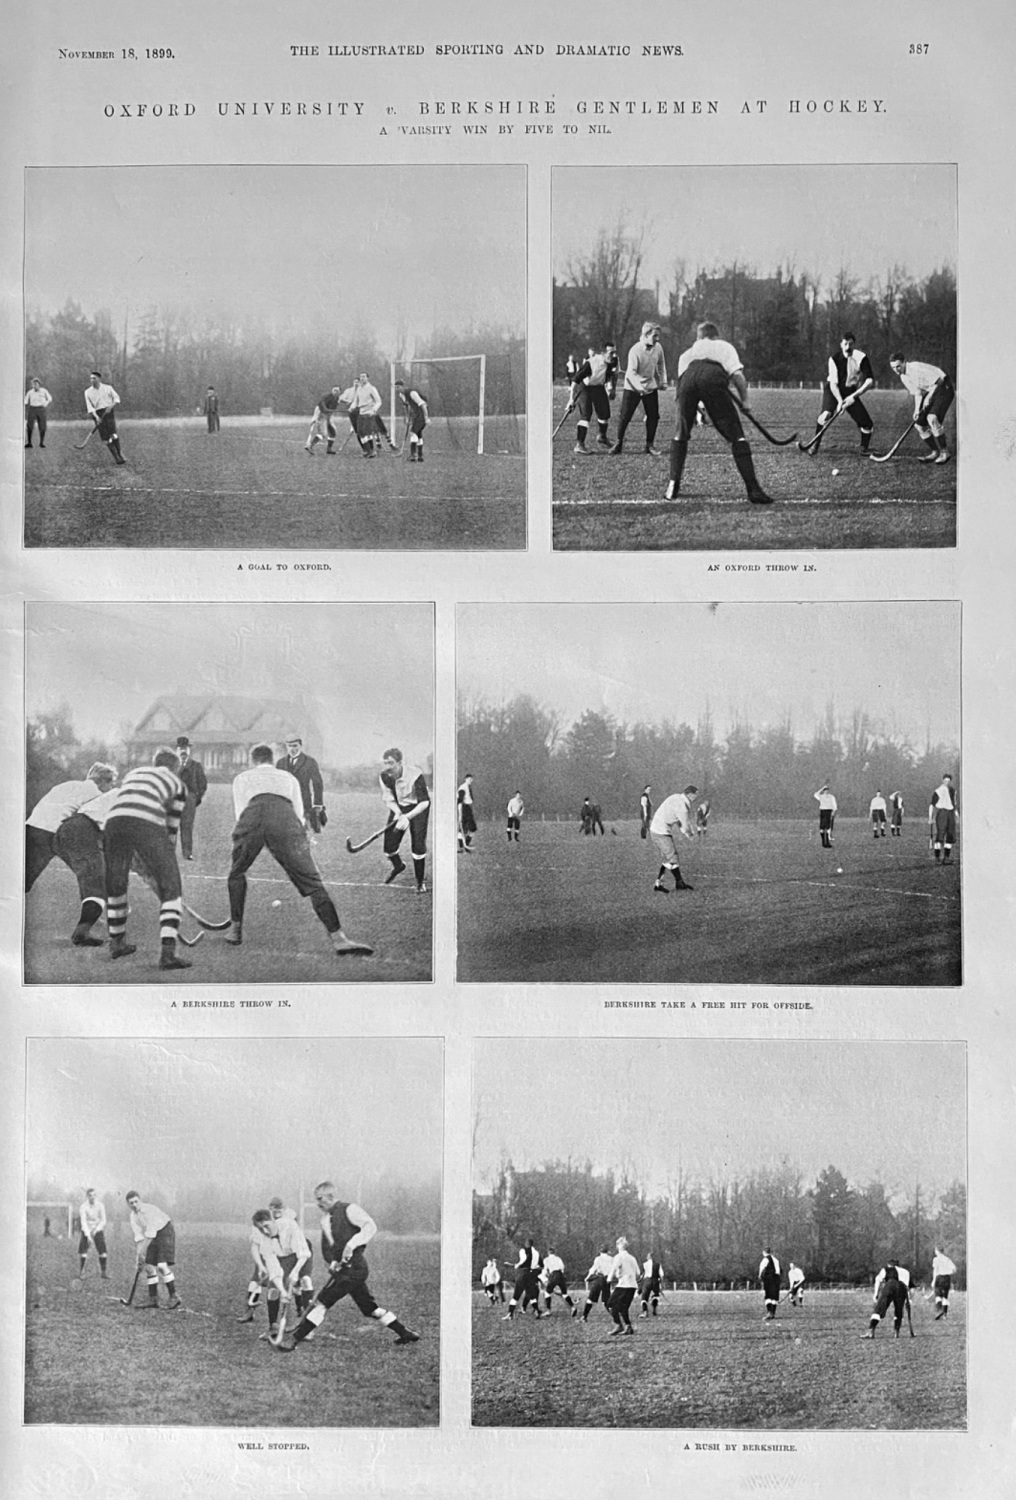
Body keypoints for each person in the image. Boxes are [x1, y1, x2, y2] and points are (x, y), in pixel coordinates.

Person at [227, 744, 372, 955]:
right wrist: (296, 840)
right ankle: (339, 938)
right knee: (313, 883)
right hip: (285, 819)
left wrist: (249, 840)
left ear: (253, 760)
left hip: (252, 817)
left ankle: (235, 930)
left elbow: (241, 812)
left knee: (237, 873)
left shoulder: (242, 778)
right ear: (273, 758)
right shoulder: (288, 777)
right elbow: (299, 813)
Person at [271, 1180, 419, 1351]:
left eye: (320, 1199)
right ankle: (405, 1333)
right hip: (344, 1271)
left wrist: (352, 1245)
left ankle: (294, 1340)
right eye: (316, 1199)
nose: (317, 1203)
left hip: (355, 1268)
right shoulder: (325, 1220)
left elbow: (370, 1227)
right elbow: (329, 1247)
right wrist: (333, 1262)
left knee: (322, 1303)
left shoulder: (350, 1209)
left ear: (331, 1196)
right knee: (370, 1308)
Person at [664, 321, 773, 505]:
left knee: (680, 434)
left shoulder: (686, 354)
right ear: (716, 336)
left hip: (687, 381)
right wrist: (745, 401)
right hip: (713, 377)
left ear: (698, 338)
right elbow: (737, 376)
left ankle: (672, 486)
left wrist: (700, 408)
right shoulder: (724, 346)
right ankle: (753, 489)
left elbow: (686, 385)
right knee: (736, 436)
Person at [103, 750, 191, 970]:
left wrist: (142, 858)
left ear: (155, 763)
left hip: (113, 824)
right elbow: (170, 831)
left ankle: (117, 943)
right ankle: (168, 955)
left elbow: (128, 806)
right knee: (172, 889)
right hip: (146, 825)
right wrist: (160, 868)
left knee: (116, 885)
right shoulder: (178, 784)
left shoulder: (135, 772)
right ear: (175, 768)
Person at [25, 763, 117, 945]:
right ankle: (85, 927)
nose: (112, 787)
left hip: (31, 828)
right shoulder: (98, 795)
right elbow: (88, 823)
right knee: (93, 878)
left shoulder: (66, 784)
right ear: (103, 782)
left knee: (24, 881)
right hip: (55, 834)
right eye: (111, 783)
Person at [810, 333, 875, 454]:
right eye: (845, 343)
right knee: (826, 415)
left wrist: (852, 397)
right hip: (833, 390)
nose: (848, 346)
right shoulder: (834, 359)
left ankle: (863, 447)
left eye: (850, 344)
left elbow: (869, 381)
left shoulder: (861, 357)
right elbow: (833, 384)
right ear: (841, 344)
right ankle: (815, 444)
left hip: (850, 391)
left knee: (867, 423)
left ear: (854, 344)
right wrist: (840, 401)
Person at [609, 322, 667, 455]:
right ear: (646, 335)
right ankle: (618, 443)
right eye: (655, 336)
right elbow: (631, 374)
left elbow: (661, 365)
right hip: (632, 387)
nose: (657, 339)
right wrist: (640, 388)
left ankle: (649, 445)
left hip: (650, 387)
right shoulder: (635, 350)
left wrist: (663, 381)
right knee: (625, 416)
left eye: (658, 336)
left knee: (653, 416)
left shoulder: (658, 348)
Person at [379, 747, 430, 892]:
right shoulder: (384, 776)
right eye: (385, 763)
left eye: (391, 763)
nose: (387, 767)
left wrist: (407, 817)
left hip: (418, 809)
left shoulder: (415, 774)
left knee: (418, 846)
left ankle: (420, 883)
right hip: (400, 809)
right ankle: (398, 866)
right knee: (389, 847)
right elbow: (388, 799)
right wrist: (398, 813)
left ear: (400, 762)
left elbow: (425, 802)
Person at [888, 353, 954, 463]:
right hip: (931, 391)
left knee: (932, 418)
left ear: (904, 362)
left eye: (898, 366)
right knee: (919, 425)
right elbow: (918, 392)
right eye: (893, 368)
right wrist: (916, 410)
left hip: (944, 388)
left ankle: (944, 452)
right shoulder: (903, 377)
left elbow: (939, 381)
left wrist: (929, 397)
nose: (896, 370)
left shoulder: (916, 369)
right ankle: (935, 452)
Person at [126, 1191, 181, 1310]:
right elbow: (139, 1237)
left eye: (136, 1201)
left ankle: (174, 1296)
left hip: (164, 1231)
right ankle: (153, 1299)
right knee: (149, 1267)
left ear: (140, 1200)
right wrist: (138, 1258)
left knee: (161, 1265)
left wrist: (142, 1253)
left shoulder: (149, 1210)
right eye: (131, 1203)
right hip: (151, 1235)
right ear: (128, 1204)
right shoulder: (133, 1216)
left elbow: (151, 1234)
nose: (134, 1205)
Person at [239, 1210, 288, 1334]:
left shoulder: (285, 1223)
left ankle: (300, 1312)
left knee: (284, 1285)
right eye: (272, 1206)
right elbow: (255, 1247)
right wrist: (260, 1265)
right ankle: (250, 1311)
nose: (275, 1209)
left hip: (285, 1255)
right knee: (256, 1280)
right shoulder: (258, 1226)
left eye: (278, 1207)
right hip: (266, 1253)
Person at [649, 785, 697, 893]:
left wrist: (685, 831)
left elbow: (678, 820)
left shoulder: (676, 797)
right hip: (661, 831)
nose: (696, 797)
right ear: (690, 794)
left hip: (657, 829)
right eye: (695, 795)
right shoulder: (683, 807)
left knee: (669, 858)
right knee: (673, 858)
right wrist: (690, 834)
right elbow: (684, 824)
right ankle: (677, 883)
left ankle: (661, 884)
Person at [569, 343, 615, 452]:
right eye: (611, 353)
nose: (613, 355)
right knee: (586, 415)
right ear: (603, 353)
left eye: (614, 352)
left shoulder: (613, 361)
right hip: (585, 387)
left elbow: (612, 375)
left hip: (598, 386)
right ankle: (579, 445)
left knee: (604, 413)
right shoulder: (591, 363)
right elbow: (575, 380)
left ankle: (602, 437)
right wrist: (571, 399)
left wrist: (611, 388)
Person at [276, 737, 326, 836]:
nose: (292, 749)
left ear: (300, 746)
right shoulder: (280, 763)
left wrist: (317, 804)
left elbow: (317, 783)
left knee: (304, 828)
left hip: (304, 800)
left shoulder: (310, 761)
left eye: (295, 746)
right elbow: (277, 783)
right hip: (286, 800)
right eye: (289, 746)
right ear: (286, 747)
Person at [861, 1259, 913, 1339]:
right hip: (902, 1288)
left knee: (879, 1309)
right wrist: (909, 1299)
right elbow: (911, 1288)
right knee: (898, 1311)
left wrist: (876, 1294)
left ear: (889, 1265)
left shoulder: (886, 1269)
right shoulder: (906, 1272)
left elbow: (878, 1280)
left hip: (890, 1285)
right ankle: (896, 1332)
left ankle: (871, 1331)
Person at [175, 736, 208, 861]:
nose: (183, 751)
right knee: (171, 826)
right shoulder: (173, 766)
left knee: (187, 826)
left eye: (186, 748)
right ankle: (170, 852)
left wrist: (196, 798)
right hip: (174, 798)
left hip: (189, 799)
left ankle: (187, 852)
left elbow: (203, 784)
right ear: (177, 750)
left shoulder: (195, 766)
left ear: (189, 750)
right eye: (180, 748)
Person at [84, 370, 126, 465]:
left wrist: (111, 406)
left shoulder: (108, 388)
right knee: (106, 437)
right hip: (97, 414)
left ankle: (120, 454)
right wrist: (96, 417)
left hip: (109, 412)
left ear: (99, 379)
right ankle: (116, 458)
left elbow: (116, 398)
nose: (92, 380)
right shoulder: (87, 392)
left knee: (113, 434)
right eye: (91, 378)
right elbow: (90, 407)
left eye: (94, 378)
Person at [607, 1235, 640, 1337]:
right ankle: (628, 1327)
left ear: (618, 1245)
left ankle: (618, 1325)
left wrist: (609, 1279)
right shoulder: (632, 1258)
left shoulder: (618, 1257)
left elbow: (613, 1269)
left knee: (610, 1304)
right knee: (623, 1308)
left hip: (623, 1285)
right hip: (633, 1285)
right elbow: (638, 1273)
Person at [503, 1239, 543, 1320]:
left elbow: (524, 1260)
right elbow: (541, 1265)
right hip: (531, 1275)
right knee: (531, 1295)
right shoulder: (537, 1253)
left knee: (516, 1296)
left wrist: (514, 1265)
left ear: (526, 1244)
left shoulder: (523, 1250)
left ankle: (510, 1314)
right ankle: (536, 1311)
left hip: (523, 1274)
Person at [349, 373, 384, 456]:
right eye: (361, 377)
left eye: (364, 377)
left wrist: (373, 410)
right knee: (360, 432)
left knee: (367, 431)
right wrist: (351, 407)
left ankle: (371, 451)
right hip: (361, 413)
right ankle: (367, 451)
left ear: (368, 378)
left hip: (369, 413)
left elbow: (379, 402)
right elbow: (355, 401)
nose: (362, 378)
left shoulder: (372, 389)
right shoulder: (359, 389)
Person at [395, 378, 429, 462]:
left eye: (398, 387)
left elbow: (423, 405)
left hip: (421, 413)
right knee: (418, 434)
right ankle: (420, 456)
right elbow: (407, 406)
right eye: (395, 387)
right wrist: (407, 417)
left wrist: (426, 418)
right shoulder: (401, 395)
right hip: (415, 415)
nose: (397, 389)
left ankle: (413, 455)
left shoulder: (412, 393)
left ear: (403, 386)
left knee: (413, 432)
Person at [78, 1188, 109, 1280]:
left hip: (98, 1228)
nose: (92, 1197)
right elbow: (83, 1222)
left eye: (94, 1195)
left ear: (96, 1196)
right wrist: (88, 1235)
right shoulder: (83, 1207)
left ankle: (103, 1272)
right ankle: (82, 1272)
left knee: (103, 1252)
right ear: (87, 1196)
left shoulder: (100, 1205)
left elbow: (103, 1220)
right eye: (90, 1195)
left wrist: (96, 1230)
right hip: (86, 1229)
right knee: (83, 1252)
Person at [580, 1245, 615, 1322]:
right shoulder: (612, 1259)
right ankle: (616, 1318)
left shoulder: (598, 1259)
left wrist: (587, 1277)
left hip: (599, 1279)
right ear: (607, 1251)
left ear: (600, 1251)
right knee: (606, 1300)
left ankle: (584, 1317)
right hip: (607, 1280)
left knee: (591, 1299)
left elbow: (593, 1269)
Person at [929, 773, 959, 863]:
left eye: (948, 781)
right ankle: (937, 857)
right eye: (945, 780)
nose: (947, 782)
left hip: (950, 813)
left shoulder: (952, 790)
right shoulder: (938, 791)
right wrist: (930, 818)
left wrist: (957, 815)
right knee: (940, 834)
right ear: (942, 780)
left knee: (950, 834)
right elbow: (932, 805)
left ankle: (946, 858)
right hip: (942, 813)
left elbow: (954, 804)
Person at [305, 387, 342, 455]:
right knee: (323, 433)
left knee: (333, 432)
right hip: (322, 415)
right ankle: (310, 446)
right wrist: (315, 417)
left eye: (337, 391)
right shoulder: (327, 397)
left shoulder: (337, 399)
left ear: (339, 392)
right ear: (332, 391)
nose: (335, 392)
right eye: (334, 390)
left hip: (329, 416)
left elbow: (332, 409)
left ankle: (329, 449)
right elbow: (321, 407)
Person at [540, 1248, 578, 1316]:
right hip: (560, 1275)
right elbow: (562, 1268)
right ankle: (573, 1307)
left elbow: (545, 1270)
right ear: (554, 1253)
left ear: (548, 1253)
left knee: (547, 1293)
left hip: (553, 1275)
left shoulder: (546, 1259)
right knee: (564, 1294)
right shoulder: (558, 1258)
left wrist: (545, 1276)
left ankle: (548, 1311)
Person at [24, 377, 52, 448]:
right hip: (33, 409)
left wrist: (46, 403)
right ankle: (29, 443)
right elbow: (25, 401)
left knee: (42, 426)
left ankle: (41, 443)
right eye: (33, 385)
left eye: (36, 384)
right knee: (29, 426)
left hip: (41, 409)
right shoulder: (30, 392)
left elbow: (50, 398)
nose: (34, 386)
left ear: (39, 384)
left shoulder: (44, 391)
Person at [931, 1246, 957, 1320]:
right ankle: (945, 1315)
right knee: (945, 1296)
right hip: (947, 1278)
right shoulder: (947, 1259)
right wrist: (949, 1272)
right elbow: (954, 1269)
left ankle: (939, 1310)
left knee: (938, 1296)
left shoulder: (936, 1259)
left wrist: (933, 1280)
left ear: (937, 1251)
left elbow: (935, 1270)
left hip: (939, 1278)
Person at [639, 1250, 664, 1318]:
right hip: (655, 1281)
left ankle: (645, 1312)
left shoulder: (644, 1264)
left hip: (647, 1281)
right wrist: (661, 1284)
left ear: (648, 1257)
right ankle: (654, 1310)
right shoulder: (658, 1265)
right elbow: (661, 1275)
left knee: (644, 1297)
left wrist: (640, 1283)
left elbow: (641, 1276)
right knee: (655, 1296)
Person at [758, 1248, 782, 1321]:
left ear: (764, 1252)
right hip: (777, 1279)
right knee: (774, 1297)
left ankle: (769, 1312)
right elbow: (780, 1270)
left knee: (768, 1296)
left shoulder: (765, 1259)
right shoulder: (776, 1260)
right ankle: (773, 1313)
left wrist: (760, 1275)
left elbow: (761, 1268)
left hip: (769, 1279)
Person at [457, 773, 477, 853]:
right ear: (465, 779)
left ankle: (464, 847)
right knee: (472, 828)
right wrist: (460, 814)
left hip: (468, 808)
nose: (471, 781)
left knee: (465, 829)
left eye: (472, 779)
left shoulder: (468, 787)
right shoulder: (463, 788)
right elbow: (459, 802)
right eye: (469, 779)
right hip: (464, 809)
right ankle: (464, 846)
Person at [814, 784, 838, 849]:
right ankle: (823, 842)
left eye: (827, 790)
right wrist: (822, 788)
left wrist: (833, 811)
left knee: (828, 827)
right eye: (825, 790)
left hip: (829, 811)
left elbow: (834, 804)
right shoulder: (821, 796)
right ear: (823, 791)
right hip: (823, 811)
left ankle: (827, 842)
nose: (826, 791)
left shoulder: (831, 797)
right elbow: (815, 794)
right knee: (822, 827)